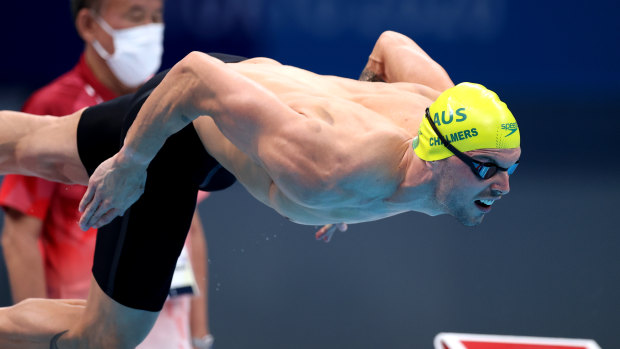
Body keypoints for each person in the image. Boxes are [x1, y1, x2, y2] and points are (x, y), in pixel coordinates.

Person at [0, 30, 520, 348]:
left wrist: (350, 189)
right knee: (108, 337)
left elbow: (391, 44)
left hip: (237, 114)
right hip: (185, 122)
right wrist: (133, 162)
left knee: (36, 144)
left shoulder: (445, 104)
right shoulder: (330, 161)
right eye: (487, 169)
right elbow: (194, 74)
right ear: (438, 153)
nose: (502, 186)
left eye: (510, 170)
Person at [0, 0, 214, 347]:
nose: (149, 27)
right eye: (135, 15)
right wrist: (34, 343)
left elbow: (190, 227)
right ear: (88, 24)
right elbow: (19, 237)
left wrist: (199, 336)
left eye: (156, 17)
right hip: (89, 324)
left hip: (169, 323)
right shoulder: (51, 108)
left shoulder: (171, 103)